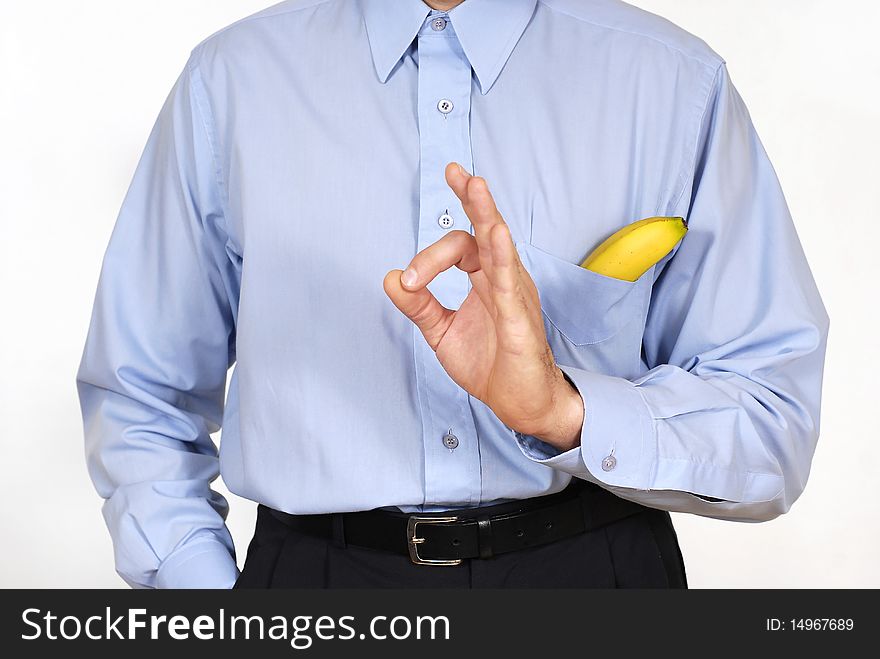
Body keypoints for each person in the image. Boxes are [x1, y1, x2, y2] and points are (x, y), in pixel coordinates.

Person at [76, 0, 829, 589]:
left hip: (594, 577)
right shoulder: (229, 83)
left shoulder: (672, 83)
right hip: (318, 589)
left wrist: (565, 411)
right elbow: (142, 399)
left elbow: (771, 416)